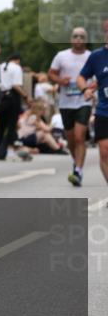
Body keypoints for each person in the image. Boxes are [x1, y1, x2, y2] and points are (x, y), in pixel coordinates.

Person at [48, 27, 92, 186]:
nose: (78, 39)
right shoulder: (62, 56)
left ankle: (78, 171)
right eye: (75, 36)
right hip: (66, 102)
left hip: (84, 101)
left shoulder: (91, 57)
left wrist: (90, 87)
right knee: (71, 139)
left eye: (82, 36)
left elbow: (99, 75)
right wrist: (60, 81)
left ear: (86, 40)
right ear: (71, 39)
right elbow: (51, 73)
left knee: (80, 137)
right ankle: (76, 163)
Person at [77, 18, 108, 194]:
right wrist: (85, 90)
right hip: (104, 111)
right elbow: (81, 77)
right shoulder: (96, 56)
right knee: (104, 152)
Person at [0, 53, 33, 161]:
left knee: (1, 125)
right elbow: (16, 85)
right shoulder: (16, 68)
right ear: (17, 60)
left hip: (1, 97)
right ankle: (10, 150)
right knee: (12, 124)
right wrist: (26, 96)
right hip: (12, 97)